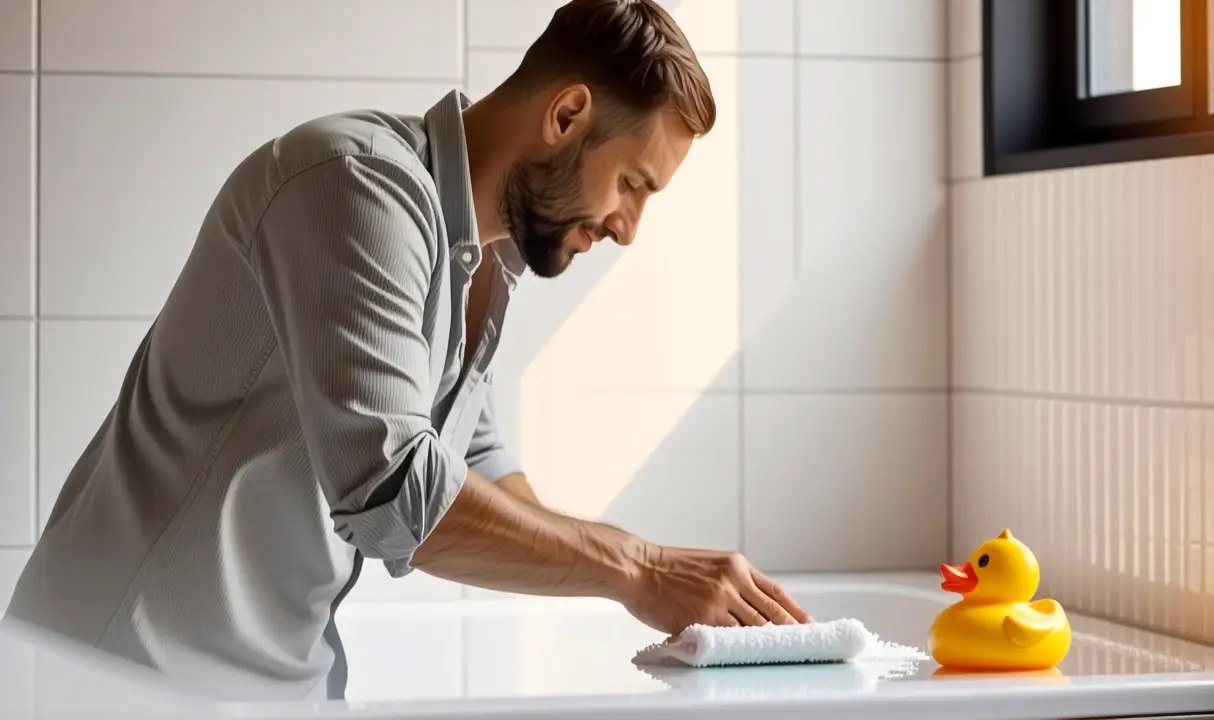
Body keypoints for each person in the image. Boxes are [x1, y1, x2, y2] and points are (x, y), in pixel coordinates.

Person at [4, 0, 813, 702]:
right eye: (634, 183)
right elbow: (395, 493)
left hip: (281, 681)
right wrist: (640, 570)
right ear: (567, 116)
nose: (627, 227)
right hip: (118, 676)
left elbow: (479, 463)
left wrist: (662, 592)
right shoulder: (355, 186)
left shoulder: (482, 255)